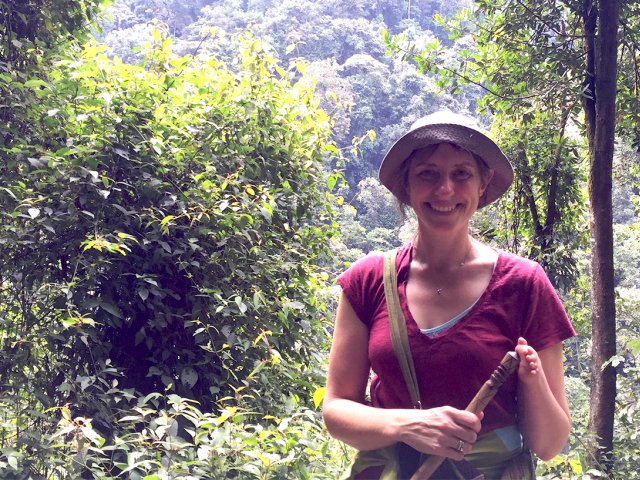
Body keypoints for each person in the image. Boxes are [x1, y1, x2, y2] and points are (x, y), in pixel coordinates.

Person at [323, 111, 576, 479]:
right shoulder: (368, 280)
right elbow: (336, 411)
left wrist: (533, 381)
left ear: (482, 183)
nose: (445, 189)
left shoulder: (524, 283)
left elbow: (549, 445)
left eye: (461, 173)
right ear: (406, 184)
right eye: (427, 173)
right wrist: (408, 426)